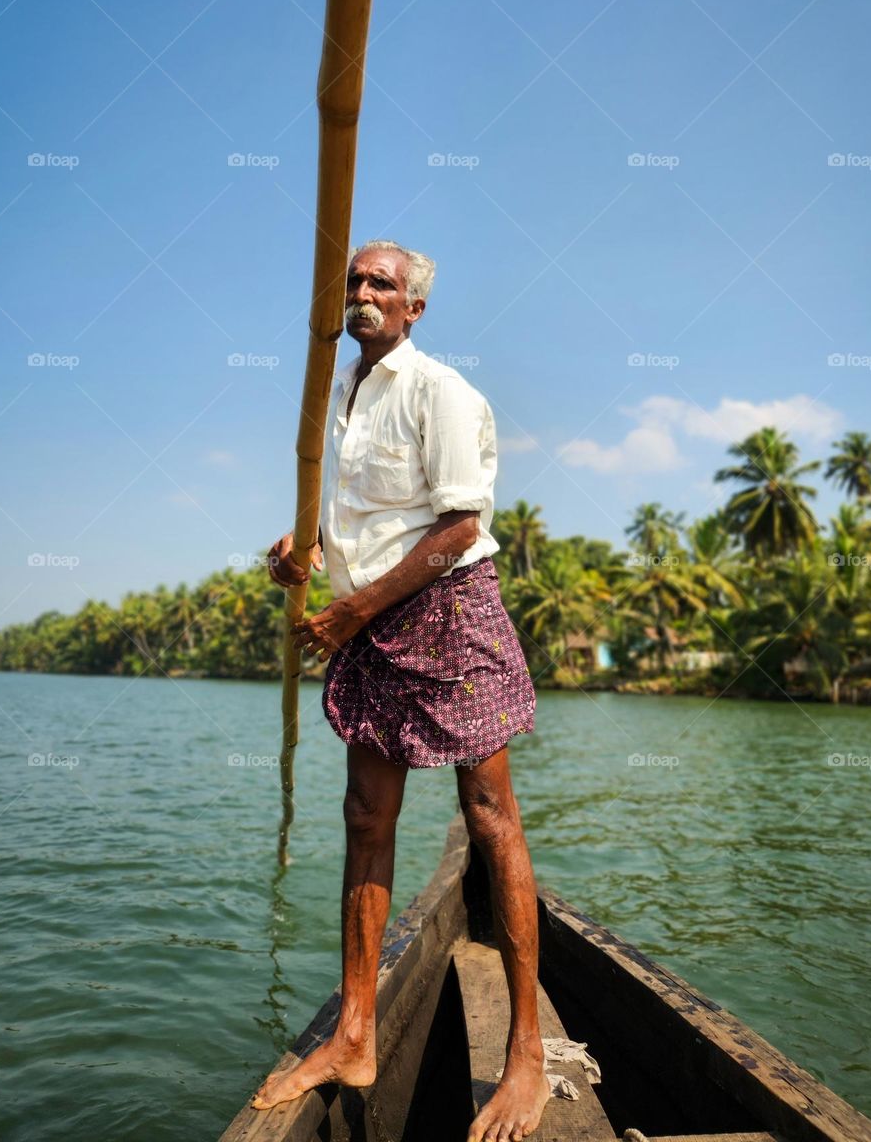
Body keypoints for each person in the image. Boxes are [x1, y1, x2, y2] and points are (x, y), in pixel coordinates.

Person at [257, 240, 550, 1142]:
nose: (363, 293)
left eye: (381, 283)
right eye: (354, 281)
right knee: (364, 816)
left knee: (490, 812)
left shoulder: (441, 391)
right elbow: (358, 519)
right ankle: (354, 1032)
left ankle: (529, 1058)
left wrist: (352, 613)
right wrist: (297, 553)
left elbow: (459, 525)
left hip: (445, 610)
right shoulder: (338, 395)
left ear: (415, 307)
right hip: (368, 613)